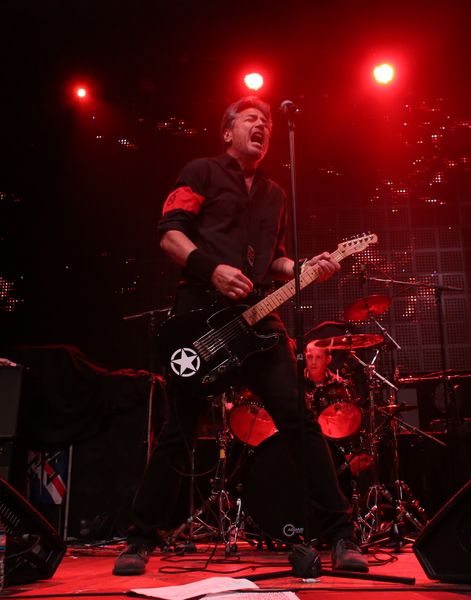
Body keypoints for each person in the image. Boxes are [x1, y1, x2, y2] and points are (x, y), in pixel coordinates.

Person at [113, 96, 368, 575]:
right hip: (200, 318)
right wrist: (212, 270)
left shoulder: (275, 194)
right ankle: (140, 538)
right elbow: (170, 234)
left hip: (258, 320)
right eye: (251, 118)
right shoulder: (201, 172)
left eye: (266, 121)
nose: (262, 125)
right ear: (228, 131)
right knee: (178, 432)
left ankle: (340, 535)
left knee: (299, 420)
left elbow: (275, 261)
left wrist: (306, 268)